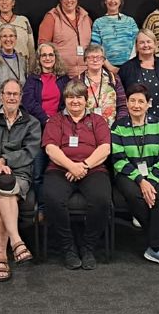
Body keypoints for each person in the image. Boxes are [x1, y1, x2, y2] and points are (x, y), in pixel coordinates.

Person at [0, 79, 41, 282]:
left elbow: (30, 152)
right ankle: (17, 241)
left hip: (20, 173)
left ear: (21, 97)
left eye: (16, 94)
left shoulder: (32, 123)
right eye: (8, 93)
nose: (12, 97)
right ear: (1, 96)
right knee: (3, 185)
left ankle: (1, 256)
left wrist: (6, 160)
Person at [41, 80, 111, 271]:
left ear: (86, 100)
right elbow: (50, 148)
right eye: (70, 97)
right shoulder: (56, 120)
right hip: (60, 168)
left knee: (102, 199)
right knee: (52, 198)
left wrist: (84, 166)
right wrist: (72, 166)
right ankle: (68, 248)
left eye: (79, 97)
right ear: (65, 100)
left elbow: (105, 148)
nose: (75, 101)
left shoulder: (97, 120)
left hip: (93, 169)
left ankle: (88, 247)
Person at [110, 83, 159, 269]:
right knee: (136, 197)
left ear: (149, 104)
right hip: (128, 174)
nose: (136, 105)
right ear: (127, 103)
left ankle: (153, 247)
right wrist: (141, 181)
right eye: (132, 101)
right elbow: (118, 159)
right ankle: (157, 243)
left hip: (156, 173)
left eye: (141, 101)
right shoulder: (118, 127)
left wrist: (150, 181)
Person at [21, 43, 71, 216]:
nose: (48, 58)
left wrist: (56, 120)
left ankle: (59, 207)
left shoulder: (64, 79)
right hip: (38, 128)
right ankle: (42, 208)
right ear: (39, 58)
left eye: (51, 55)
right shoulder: (32, 79)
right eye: (44, 55)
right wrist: (46, 119)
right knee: (38, 171)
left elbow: (69, 101)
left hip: (61, 127)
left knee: (60, 168)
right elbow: (28, 103)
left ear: (55, 57)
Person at [118, 29, 159, 125]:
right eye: (141, 42)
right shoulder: (127, 68)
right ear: (136, 46)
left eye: (149, 42)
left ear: (155, 44)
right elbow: (121, 98)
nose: (146, 45)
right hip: (133, 123)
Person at [38, 0, 92, 78]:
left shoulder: (86, 18)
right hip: (61, 74)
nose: (69, 0)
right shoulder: (51, 17)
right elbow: (43, 46)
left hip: (86, 74)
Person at [90, 0, 139, 74]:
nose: (112, 1)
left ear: (120, 1)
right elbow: (95, 48)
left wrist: (128, 66)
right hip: (106, 70)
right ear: (105, 1)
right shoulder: (98, 23)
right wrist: (110, 67)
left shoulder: (130, 21)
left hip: (130, 69)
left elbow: (138, 44)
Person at [0, 24, 29, 115]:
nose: (8, 39)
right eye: (4, 36)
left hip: (19, 113)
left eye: (11, 36)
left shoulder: (22, 60)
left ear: (15, 38)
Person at [77, 44, 126, 127]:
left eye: (99, 57)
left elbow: (122, 104)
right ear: (85, 60)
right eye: (91, 57)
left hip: (112, 128)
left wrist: (119, 125)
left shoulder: (114, 79)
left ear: (103, 61)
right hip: (85, 129)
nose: (95, 60)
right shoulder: (78, 80)